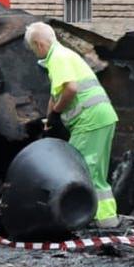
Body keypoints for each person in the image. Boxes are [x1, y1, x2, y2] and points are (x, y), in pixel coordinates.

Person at [28, 22, 120, 227]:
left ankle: (87, 218)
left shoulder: (58, 58)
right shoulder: (63, 56)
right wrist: (48, 120)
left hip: (90, 120)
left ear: (39, 44)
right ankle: (105, 219)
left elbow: (70, 89)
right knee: (94, 172)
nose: (35, 54)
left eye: (33, 49)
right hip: (100, 118)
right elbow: (56, 94)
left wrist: (57, 112)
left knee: (78, 170)